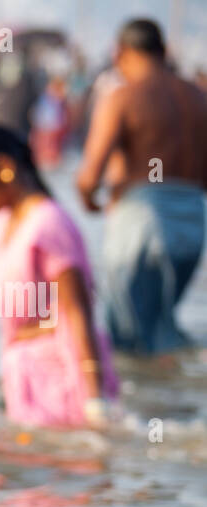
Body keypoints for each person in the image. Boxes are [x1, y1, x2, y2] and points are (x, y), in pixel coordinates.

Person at [0, 124, 119, 429]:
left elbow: (78, 313)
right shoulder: (4, 225)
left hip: (64, 384)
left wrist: (96, 403)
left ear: (3, 167)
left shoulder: (49, 225)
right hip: (27, 384)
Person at [75, 18, 207, 355]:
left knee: (132, 340)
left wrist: (89, 198)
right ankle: (181, 401)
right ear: (163, 51)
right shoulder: (198, 97)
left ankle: (149, 405)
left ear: (121, 53)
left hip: (142, 223)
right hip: (192, 222)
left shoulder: (122, 97)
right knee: (162, 327)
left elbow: (90, 174)